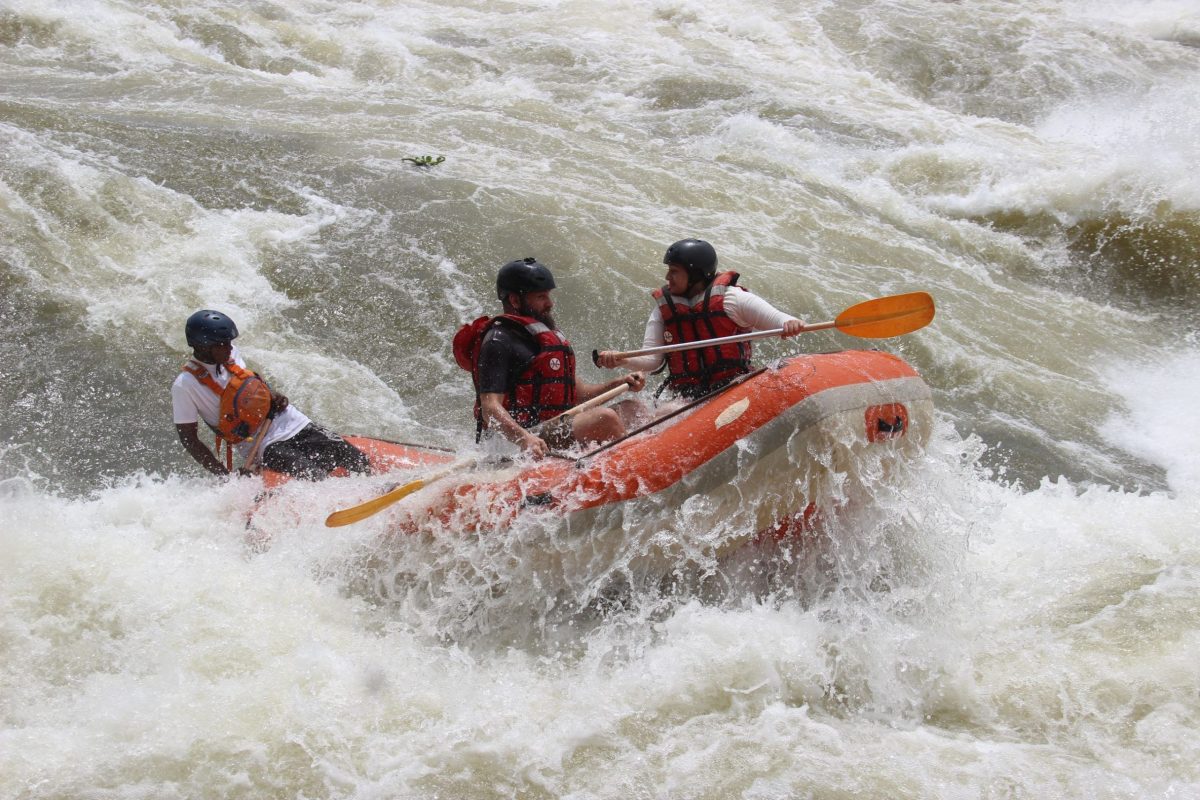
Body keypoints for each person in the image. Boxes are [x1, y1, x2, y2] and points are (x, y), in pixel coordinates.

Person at [453, 257, 646, 459]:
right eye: (541, 297)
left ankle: (638, 459)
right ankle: (633, 465)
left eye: (548, 296)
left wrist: (620, 383)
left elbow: (580, 395)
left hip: (554, 427)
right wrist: (524, 438)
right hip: (518, 439)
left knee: (633, 409)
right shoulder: (498, 341)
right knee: (605, 418)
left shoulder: (542, 337)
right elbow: (490, 408)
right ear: (515, 300)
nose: (549, 303)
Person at [171, 309, 371, 480]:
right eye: (222, 344)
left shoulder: (231, 354)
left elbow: (247, 386)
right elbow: (189, 439)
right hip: (263, 445)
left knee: (357, 461)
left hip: (290, 421)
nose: (229, 347)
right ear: (202, 345)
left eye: (229, 342)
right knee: (316, 477)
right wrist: (225, 476)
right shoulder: (185, 385)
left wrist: (271, 394)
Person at [596, 238, 805, 398]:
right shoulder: (663, 310)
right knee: (663, 414)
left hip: (733, 385)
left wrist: (790, 324)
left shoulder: (731, 299)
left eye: (674, 271)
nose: (667, 278)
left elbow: (778, 319)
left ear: (695, 275)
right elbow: (652, 359)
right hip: (687, 396)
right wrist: (622, 360)